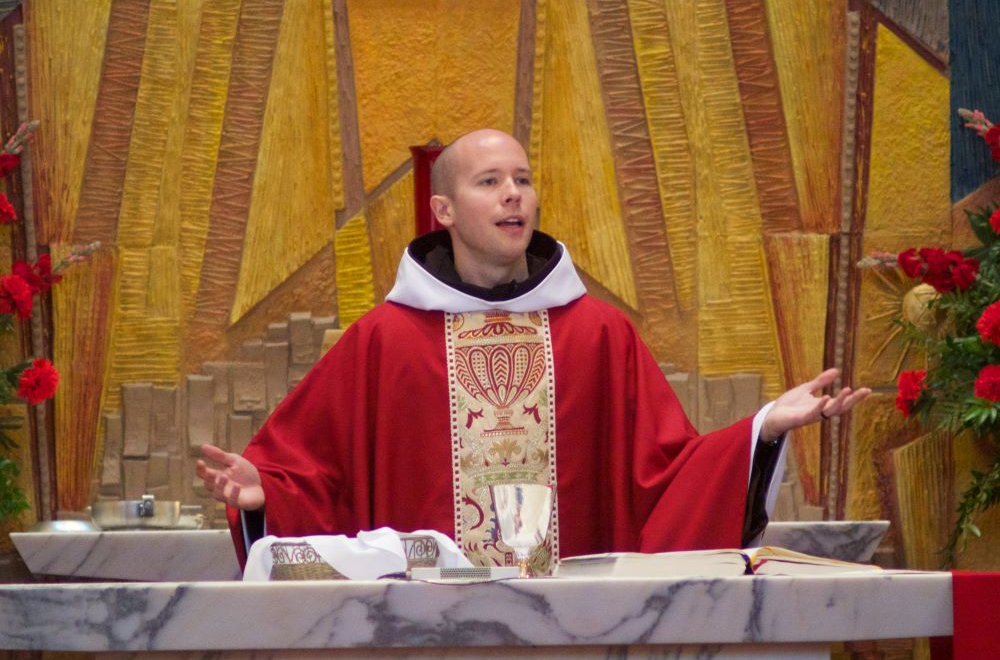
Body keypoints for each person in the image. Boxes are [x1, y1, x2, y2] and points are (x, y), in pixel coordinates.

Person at [197, 129, 870, 569]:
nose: (512, 192)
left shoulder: (596, 333)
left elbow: (666, 478)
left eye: (522, 178)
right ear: (445, 211)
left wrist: (761, 430)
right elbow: (318, 478)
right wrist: (266, 497)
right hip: (425, 636)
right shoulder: (385, 340)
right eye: (488, 181)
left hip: (572, 630)